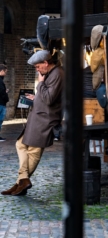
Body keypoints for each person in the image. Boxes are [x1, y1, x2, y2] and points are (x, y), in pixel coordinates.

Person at [1, 50, 64, 196]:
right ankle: (22, 180)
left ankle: (20, 183)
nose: (37, 70)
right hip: (39, 117)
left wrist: (40, 84)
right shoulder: (51, 73)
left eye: (37, 66)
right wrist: (36, 98)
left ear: (46, 63)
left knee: (33, 151)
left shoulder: (57, 74)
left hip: (45, 119)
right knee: (20, 144)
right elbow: (48, 96)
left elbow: (49, 98)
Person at [0, 64, 9, 142]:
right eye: (5, 72)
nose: (6, 73)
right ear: (2, 71)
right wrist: (5, 95)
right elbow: (1, 92)